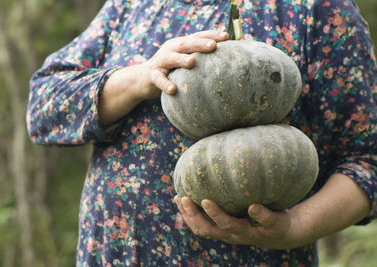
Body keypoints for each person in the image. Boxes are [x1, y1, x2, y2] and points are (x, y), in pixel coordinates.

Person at [27, 0, 377, 265]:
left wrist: (294, 228)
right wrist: (140, 77)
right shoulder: (134, 5)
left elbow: (367, 161)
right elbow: (43, 108)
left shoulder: (315, 9)